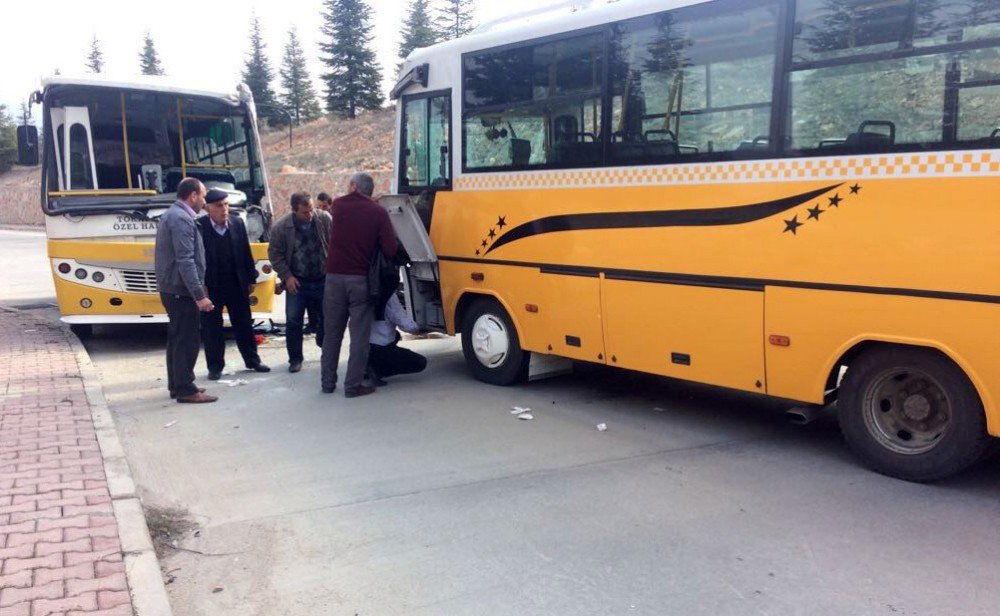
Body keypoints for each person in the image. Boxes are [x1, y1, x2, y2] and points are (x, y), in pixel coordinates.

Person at [321, 172, 398, 398]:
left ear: (354, 186)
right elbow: (390, 249)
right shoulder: (378, 212)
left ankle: (327, 382)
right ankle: (353, 386)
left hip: (333, 278)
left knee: (332, 334)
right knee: (359, 337)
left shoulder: (337, 205)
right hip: (360, 281)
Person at [197, 188, 271, 380]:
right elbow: (195, 258)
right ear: (207, 208)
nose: (224, 209)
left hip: (236, 283)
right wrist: (199, 286)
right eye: (219, 206)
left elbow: (245, 252)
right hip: (211, 286)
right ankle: (215, 367)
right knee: (212, 328)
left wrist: (250, 279)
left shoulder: (237, 223)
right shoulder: (199, 226)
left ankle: (252, 360)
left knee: (244, 323)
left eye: (226, 204)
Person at [154, 177, 216, 403]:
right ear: (193, 196)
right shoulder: (181, 219)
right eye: (203, 195)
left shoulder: (173, 215)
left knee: (177, 339)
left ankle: (177, 384)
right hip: (181, 291)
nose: (204, 200)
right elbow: (186, 260)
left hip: (173, 288)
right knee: (187, 340)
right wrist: (199, 295)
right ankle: (185, 389)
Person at [268, 192, 333, 373]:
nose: (310, 215)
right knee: (294, 321)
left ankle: (325, 348)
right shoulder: (282, 228)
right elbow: (274, 254)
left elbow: (335, 243)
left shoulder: (324, 219)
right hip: (297, 282)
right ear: (294, 210)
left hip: (322, 279)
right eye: (305, 212)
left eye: (312, 210)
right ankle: (295, 359)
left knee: (327, 318)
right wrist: (287, 276)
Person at [367, 292, 427, 385]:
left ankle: (365, 366)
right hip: (379, 348)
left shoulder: (361, 291)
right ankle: (377, 369)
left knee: (396, 335)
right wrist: (418, 328)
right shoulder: (389, 296)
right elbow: (405, 324)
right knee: (420, 362)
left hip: (363, 346)